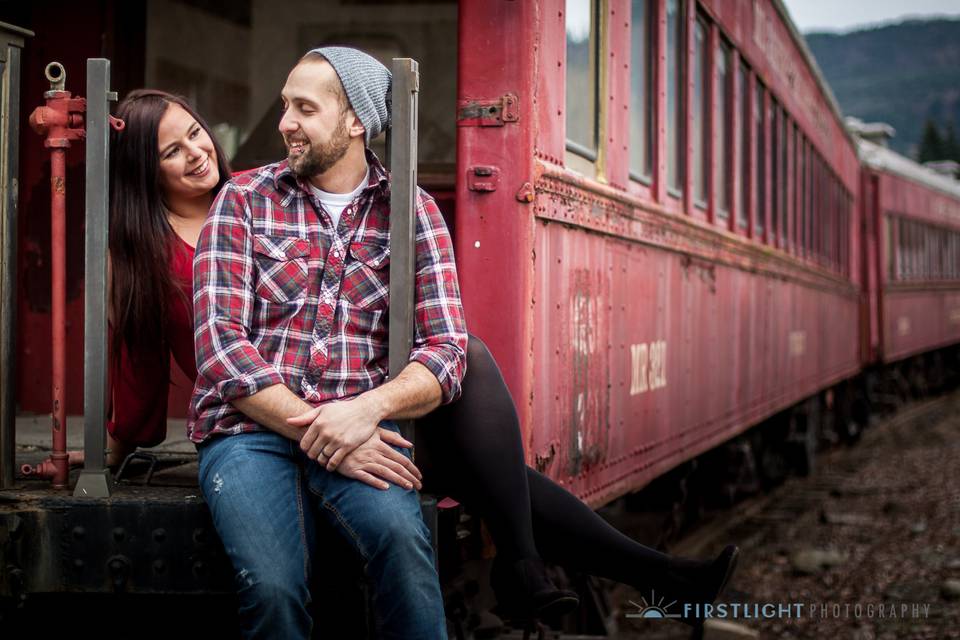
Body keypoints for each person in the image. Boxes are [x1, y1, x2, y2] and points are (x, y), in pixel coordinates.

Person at [107, 48, 738, 636]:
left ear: (357, 121)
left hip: (361, 414)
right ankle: (557, 569)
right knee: (283, 582)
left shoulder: (407, 210)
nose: (283, 124)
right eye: (171, 150)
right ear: (146, 170)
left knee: (460, 373)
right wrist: (326, 429)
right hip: (258, 423)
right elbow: (216, 351)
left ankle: (552, 565)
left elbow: (444, 349)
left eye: (303, 107)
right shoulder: (234, 206)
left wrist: (364, 411)